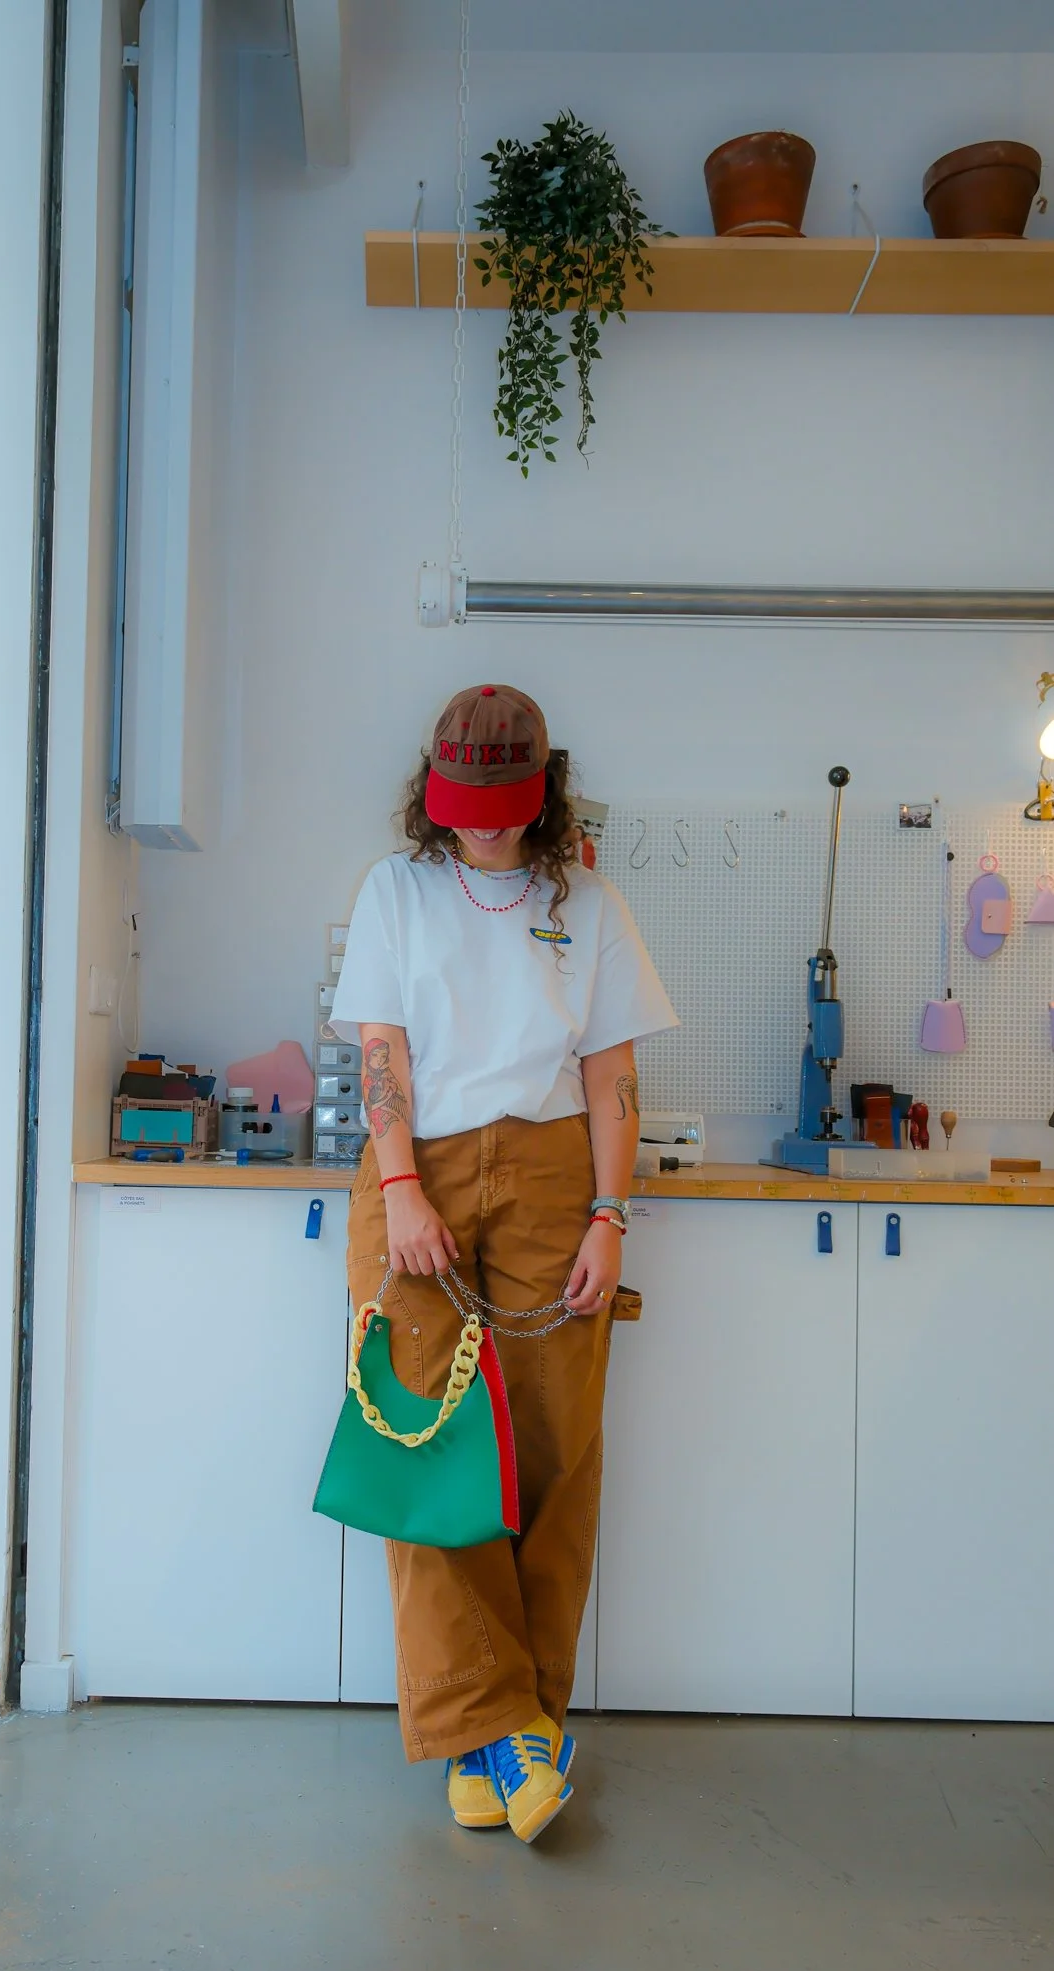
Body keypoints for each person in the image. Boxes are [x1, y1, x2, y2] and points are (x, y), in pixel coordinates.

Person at [330, 684, 677, 1844]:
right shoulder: (396, 889)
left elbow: (612, 1074)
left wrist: (610, 1213)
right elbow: (383, 1049)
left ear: (545, 791)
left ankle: (509, 1730)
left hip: (550, 1174)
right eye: (463, 804)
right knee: (423, 1446)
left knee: (552, 1448)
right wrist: (400, 1184)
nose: (482, 824)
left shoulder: (590, 903)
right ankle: (503, 1730)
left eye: (503, 804)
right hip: (416, 1168)